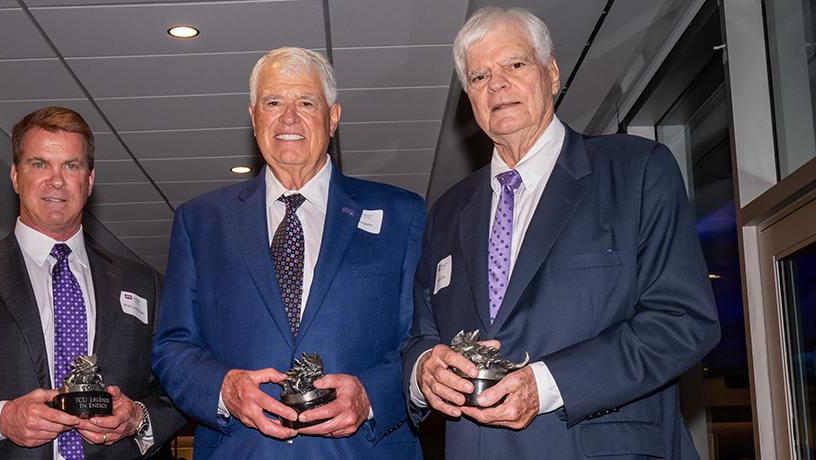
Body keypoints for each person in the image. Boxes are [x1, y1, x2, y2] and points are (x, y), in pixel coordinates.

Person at [401, 7, 721, 459]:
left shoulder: (637, 171)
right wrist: (422, 371)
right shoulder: (447, 211)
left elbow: (682, 321)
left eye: (515, 64)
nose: (496, 84)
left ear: (551, 74)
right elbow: (420, 334)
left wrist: (547, 384)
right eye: (478, 76)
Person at [150, 47, 426, 459]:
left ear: (333, 118)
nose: (289, 117)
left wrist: (371, 394)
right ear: (254, 116)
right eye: (273, 102)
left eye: (306, 102)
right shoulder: (200, 221)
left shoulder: (402, 214)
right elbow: (172, 347)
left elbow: (421, 339)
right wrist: (224, 389)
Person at [0, 107, 185, 460]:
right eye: (39, 164)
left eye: (71, 166)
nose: (56, 180)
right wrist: (2, 418)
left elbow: (179, 388)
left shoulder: (145, 284)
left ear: (89, 181)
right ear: (16, 176)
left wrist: (138, 418)